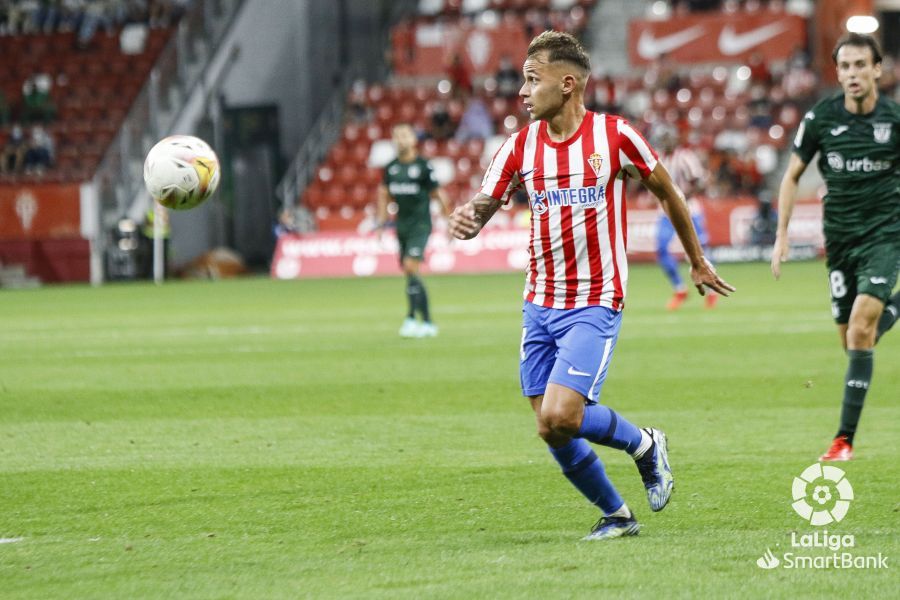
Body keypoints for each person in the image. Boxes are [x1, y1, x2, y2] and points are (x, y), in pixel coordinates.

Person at [449, 31, 734, 540]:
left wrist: (696, 260)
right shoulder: (519, 147)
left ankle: (645, 445)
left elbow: (668, 193)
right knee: (549, 426)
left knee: (564, 412)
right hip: (539, 301)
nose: (522, 91)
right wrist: (469, 217)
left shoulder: (615, 137)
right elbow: (486, 201)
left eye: (531, 80)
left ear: (567, 84)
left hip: (596, 299)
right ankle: (618, 516)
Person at [771, 33, 900, 462]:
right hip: (840, 240)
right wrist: (782, 234)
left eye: (860, 65)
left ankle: (843, 440)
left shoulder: (894, 122)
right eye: (844, 67)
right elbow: (790, 177)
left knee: (863, 326)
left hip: (884, 235)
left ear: (877, 69)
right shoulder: (821, 118)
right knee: (852, 342)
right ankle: (896, 308)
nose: (852, 75)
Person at [377, 123, 451, 339]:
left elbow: (439, 195)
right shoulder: (391, 168)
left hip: (421, 225)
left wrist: (449, 222)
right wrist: (381, 224)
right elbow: (383, 195)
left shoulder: (423, 167)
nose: (401, 139)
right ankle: (414, 320)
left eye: (404, 135)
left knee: (410, 266)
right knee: (410, 273)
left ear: (413, 140)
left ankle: (423, 320)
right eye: (397, 136)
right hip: (402, 226)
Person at [652, 125, 716, 310]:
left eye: (666, 139)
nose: (664, 143)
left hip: (689, 209)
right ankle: (679, 288)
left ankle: (711, 288)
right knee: (662, 249)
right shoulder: (658, 158)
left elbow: (699, 182)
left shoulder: (685, 157)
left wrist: (681, 198)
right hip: (665, 212)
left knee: (700, 250)